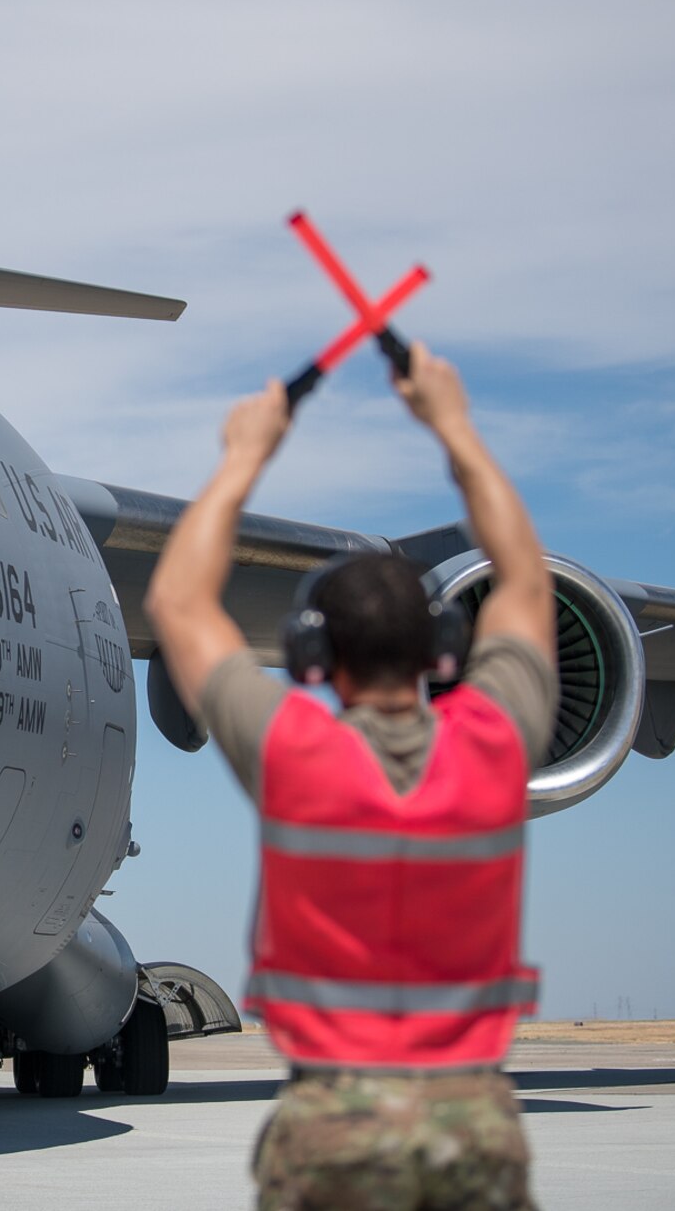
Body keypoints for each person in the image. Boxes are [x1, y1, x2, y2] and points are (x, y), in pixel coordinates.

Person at [144, 341, 557, 1210]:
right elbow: (523, 576)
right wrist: (454, 427)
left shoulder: (298, 755)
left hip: (333, 1121)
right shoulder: (492, 746)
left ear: (311, 655)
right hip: (472, 1120)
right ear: (446, 651)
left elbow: (179, 600)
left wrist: (244, 455)